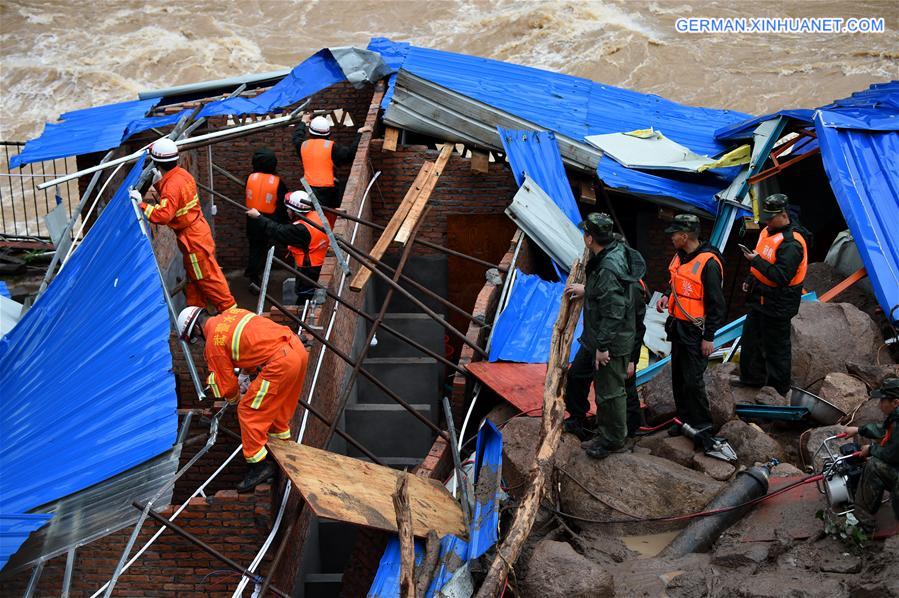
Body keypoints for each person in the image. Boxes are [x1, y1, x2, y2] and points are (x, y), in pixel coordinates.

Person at [177, 305, 309, 492]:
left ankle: (259, 465)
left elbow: (228, 386)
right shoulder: (232, 314)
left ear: (197, 329)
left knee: (247, 411)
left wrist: (234, 399)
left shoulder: (213, 343)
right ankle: (282, 451)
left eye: (196, 339)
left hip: (280, 363)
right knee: (277, 411)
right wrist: (245, 374)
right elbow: (252, 343)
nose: (199, 342)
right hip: (297, 351)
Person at [563, 213, 646, 459]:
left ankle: (613, 440)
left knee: (610, 392)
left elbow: (613, 310)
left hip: (609, 339)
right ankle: (582, 420)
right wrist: (588, 291)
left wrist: (603, 346)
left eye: (585, 234)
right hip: (597, 335)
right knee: (578, 375)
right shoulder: (611, 251)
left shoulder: (610, 266)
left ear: (589, 238)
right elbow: (609, 294)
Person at [131, 138, 235, 313]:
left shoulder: (172, 185)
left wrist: (142, 204)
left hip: (192, 240)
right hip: (198, 231)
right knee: (195, 279)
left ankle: (231, 312)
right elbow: (176, 198)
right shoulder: (183, 175)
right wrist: (158, 184)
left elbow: (164, 215)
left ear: (157, 162)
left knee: (206, 278)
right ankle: (194, 318)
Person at [656, 214, 726, 434]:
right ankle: (684, 421)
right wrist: (668, 295)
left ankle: (702, 426)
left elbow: (716, 305)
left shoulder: (709, 263)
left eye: (674, 234)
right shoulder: (680, 256)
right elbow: (677, 282)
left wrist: (709, 337)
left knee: (693, 381)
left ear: (685, 236)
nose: (671, 238)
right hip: (677, 326)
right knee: (678, 377)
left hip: (696, 331)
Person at [737, 194, 809, 395]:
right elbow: (762, 260)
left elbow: (782, 276)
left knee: (776, 349)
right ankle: (752, 380)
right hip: (759, 297)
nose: (766, 221)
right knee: (751, 340)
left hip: (779, 303)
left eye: (770, 217)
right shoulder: (767, 232)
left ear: (784, 215)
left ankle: (778, 390)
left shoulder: (792, 243)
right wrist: (749, 280)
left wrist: (756, 261)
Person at [247, 191, 330, 301]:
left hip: (309, 270)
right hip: (319, 262)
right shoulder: (317, 217)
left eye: (289, 209)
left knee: (305, 297)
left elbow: (277, 231)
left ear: (295, 211)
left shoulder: (302, 229)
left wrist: (258, 217)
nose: (287, 211)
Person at [845, 377, 899, 534]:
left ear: (895, 402)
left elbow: (891, 455)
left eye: (882, 400)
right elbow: (883, 430)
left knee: (873, 465)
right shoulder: (896, 418)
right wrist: (858, 430)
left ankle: (863, 523)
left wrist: (871, 449)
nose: (879, 404)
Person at [291, 115, 371, 209]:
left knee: (312, 213)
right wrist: (359, 134)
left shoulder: (302, 145)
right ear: (328, 133)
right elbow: (349, 155)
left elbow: (297, 136)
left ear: (310, 132)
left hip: (308, 188)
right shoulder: (332, 147)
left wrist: (303, 122)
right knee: (330, 214)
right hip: (328, 189)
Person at [244, 148, 289, 286]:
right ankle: (256, 277)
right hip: (269, 220)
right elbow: (283, 202)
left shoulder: (250, 178)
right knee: (266, 248)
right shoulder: (277, 182)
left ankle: (253, 275)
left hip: (252, 220)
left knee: (256, 249)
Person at [626, 277, 649, 437]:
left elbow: (637, 329)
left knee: (627, 386)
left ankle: (633, 427)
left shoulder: (633, 288)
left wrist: (631, 360)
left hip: (627, 351)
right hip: (621, 347)